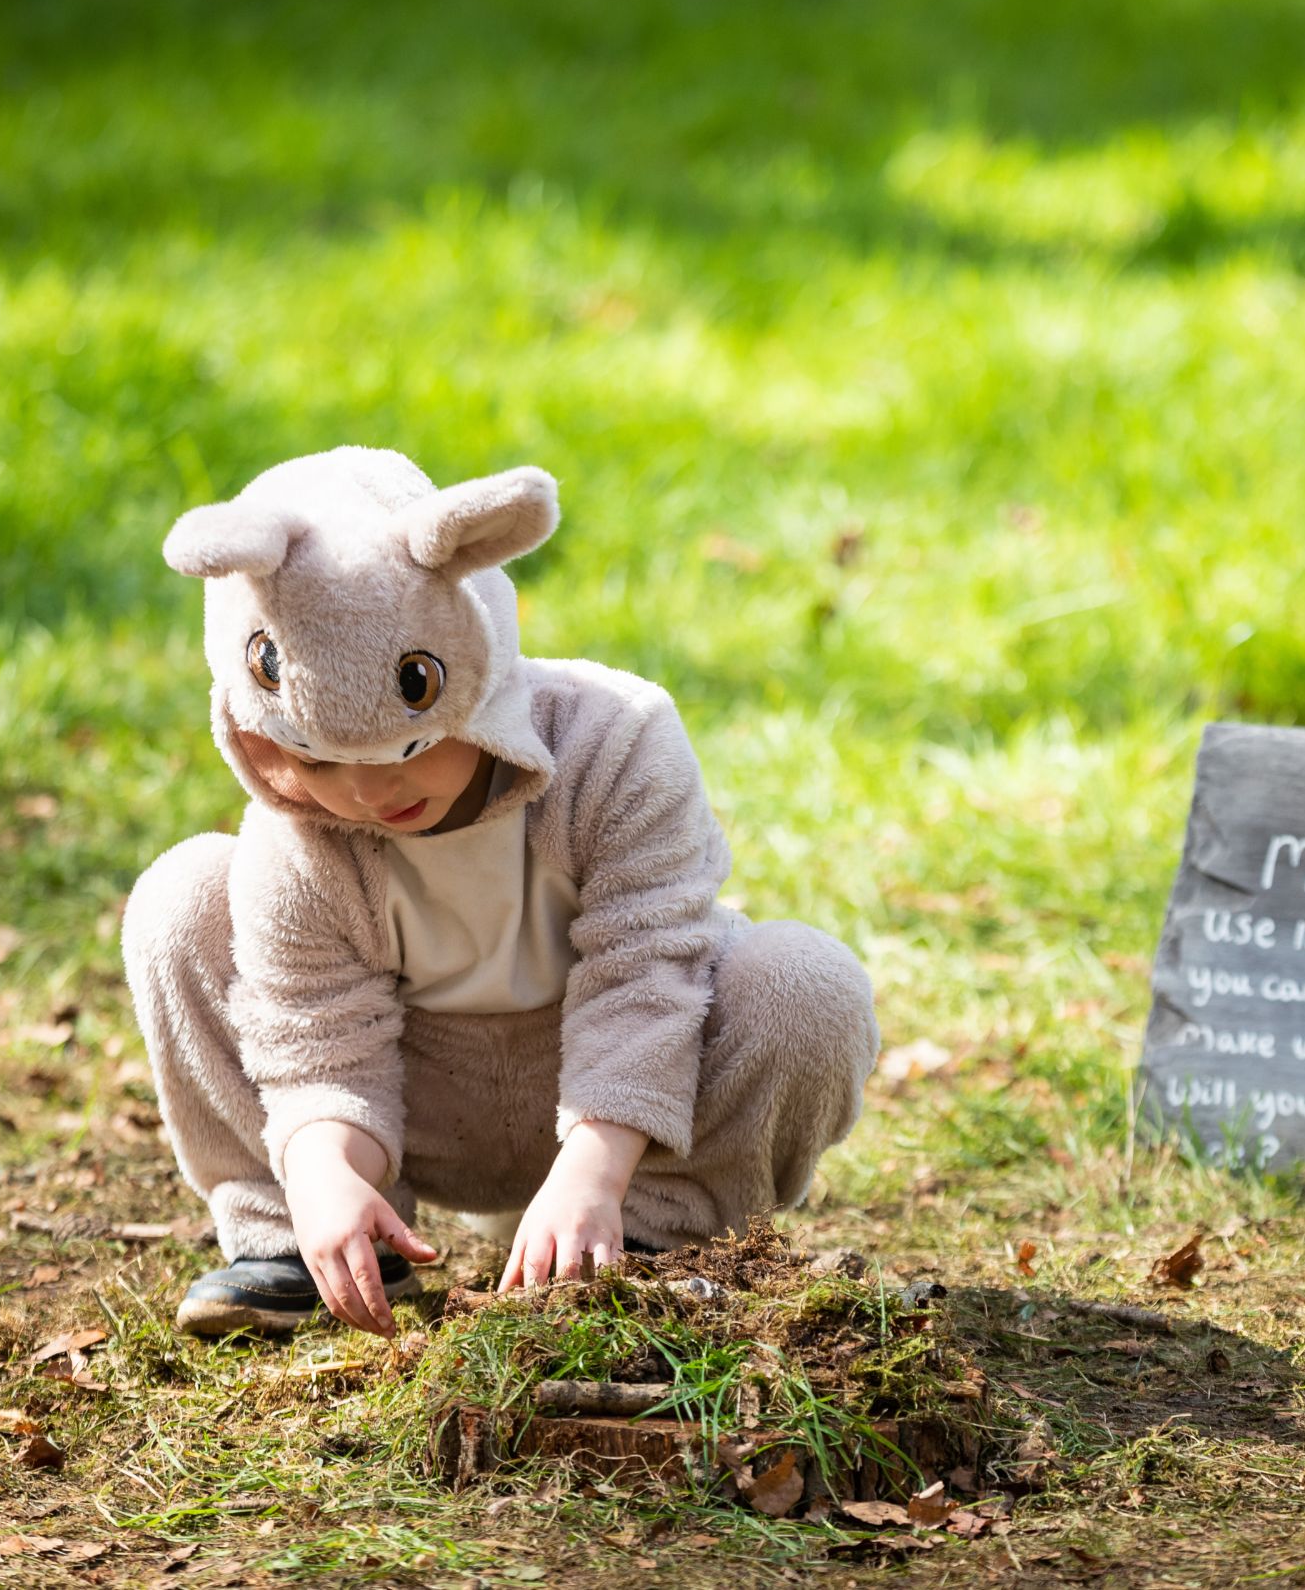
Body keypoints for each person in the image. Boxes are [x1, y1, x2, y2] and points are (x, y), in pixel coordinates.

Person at [122, 448, 877, 1338]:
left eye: (409, 747)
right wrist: (324, 1173)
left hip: (636, 1104)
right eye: (323, 761)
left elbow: (650, 968)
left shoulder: (615, 741)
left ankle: (654, 1245)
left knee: (808, 983)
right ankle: (320, 1250)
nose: (368, 796)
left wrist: (594, 1173)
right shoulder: (297, 829)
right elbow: (315, 1034)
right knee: (180, 896)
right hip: (421, 1092)